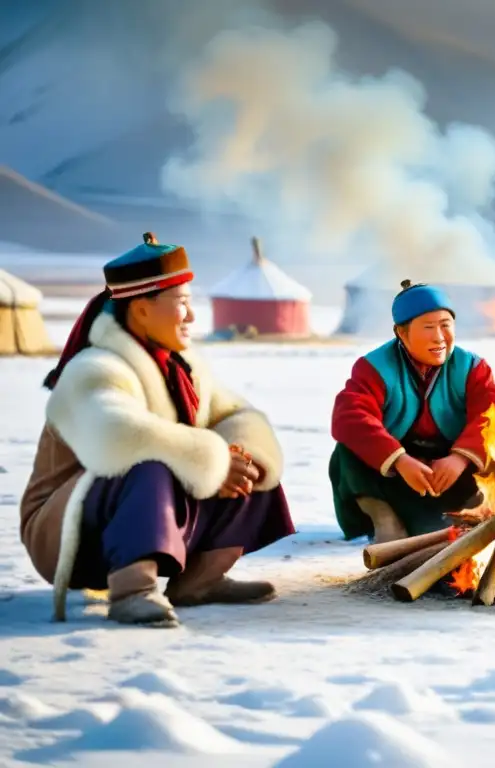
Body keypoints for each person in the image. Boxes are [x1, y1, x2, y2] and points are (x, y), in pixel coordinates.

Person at [20, 233, 295, 627]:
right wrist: (211, 464)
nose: (192, 316)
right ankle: (133, 589)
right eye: (181, 303)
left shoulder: (182, 367)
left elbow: (235, 412)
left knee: (249, 463)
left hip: (138, 510)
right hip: (65, 528)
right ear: (141, 310)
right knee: (149, 463)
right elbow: (116, 436)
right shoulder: (94, 368)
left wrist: (232, 456)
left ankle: (200, 580)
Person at [329, 280, 495, 542]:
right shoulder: (374, 367)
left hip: (448, 469)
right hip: (394, 473)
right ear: (401, 333)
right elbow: (350, 417)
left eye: (445, 325)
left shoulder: (471, 367)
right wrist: (399, 459)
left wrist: (460, 458)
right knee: (348, 450)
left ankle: (471, 515)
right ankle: (383, 518)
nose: (439, 337)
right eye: (428, 327)